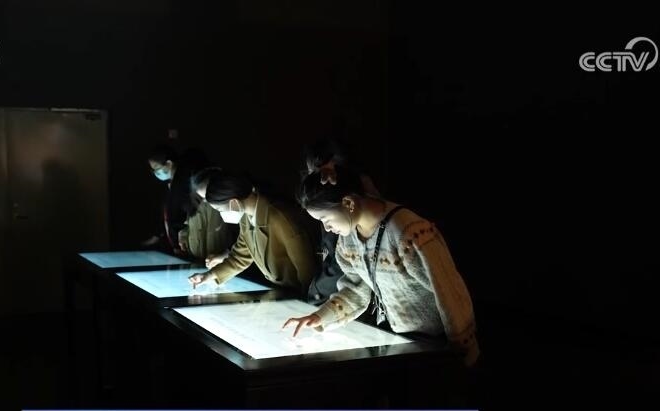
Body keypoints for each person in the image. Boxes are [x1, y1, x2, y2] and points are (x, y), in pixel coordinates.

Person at [283, 166, 479, 366]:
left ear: (349, 203)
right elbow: (355, 289)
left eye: (325, 219)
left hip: (435, 344)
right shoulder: (348, 240)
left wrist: (463, 351)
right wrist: (319, 317)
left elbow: (449, 293)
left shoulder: (409, 232)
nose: (326, 228)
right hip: (397, 339)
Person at [187, 171, 317, 293]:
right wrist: (209, 275)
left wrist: (308, 299)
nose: (222, 214)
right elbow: (240, 256)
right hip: (280, 290)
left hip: (297, 291)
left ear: (234, 202)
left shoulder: (279, 218)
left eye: (220, 210)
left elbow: (306, 267)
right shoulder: (246, 218)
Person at [302, 138, 381, 304]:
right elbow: (354, 287)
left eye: (319, 177)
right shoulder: (347, 230)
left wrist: (317, 296)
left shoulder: (399, 229)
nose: (317, 187)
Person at [143, 145, 206, 255]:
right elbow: (168, 213)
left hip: (188, 243)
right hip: (179, 242)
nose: (155, 172)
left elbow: (184, 214)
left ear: (168, 164)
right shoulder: (172, 184)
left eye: (156, 168)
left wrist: (180, 240)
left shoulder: (183, 184)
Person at [180, 167, 238, 262]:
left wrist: (226, 255)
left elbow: (242, 242)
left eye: (209, 195)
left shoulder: (228, 207)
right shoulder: (192, 203)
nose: (207, 200)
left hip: (223, 258)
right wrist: (183, 234)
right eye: (202, 197)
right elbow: (188, 225)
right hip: (196, 256)